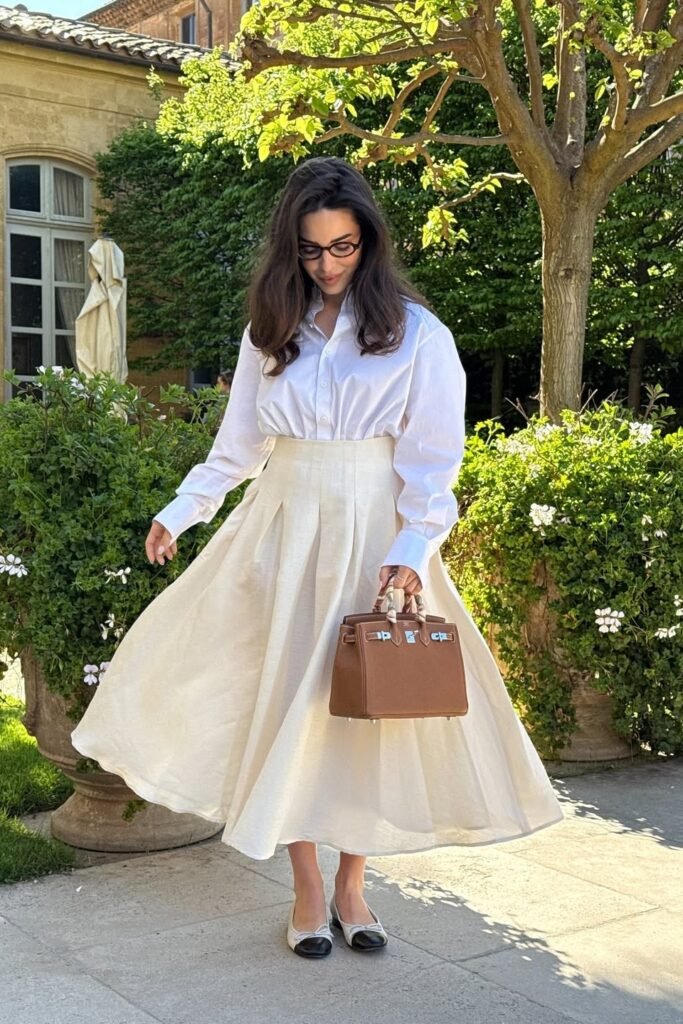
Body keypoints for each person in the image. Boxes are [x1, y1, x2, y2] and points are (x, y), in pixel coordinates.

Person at [71, 157, 562, 960]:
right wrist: (179, 513)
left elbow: (434, 463)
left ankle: (352, 886)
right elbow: (237, 450)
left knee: (366, 711)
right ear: (289, 250)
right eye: (310, 250)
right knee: (286, 709)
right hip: (281, 533)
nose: (328, 264)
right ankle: (305, 889)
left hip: (376, 539)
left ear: (368, 241)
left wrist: (411, 551)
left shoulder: (416, 334)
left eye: (342, 247)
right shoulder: (271, 331)